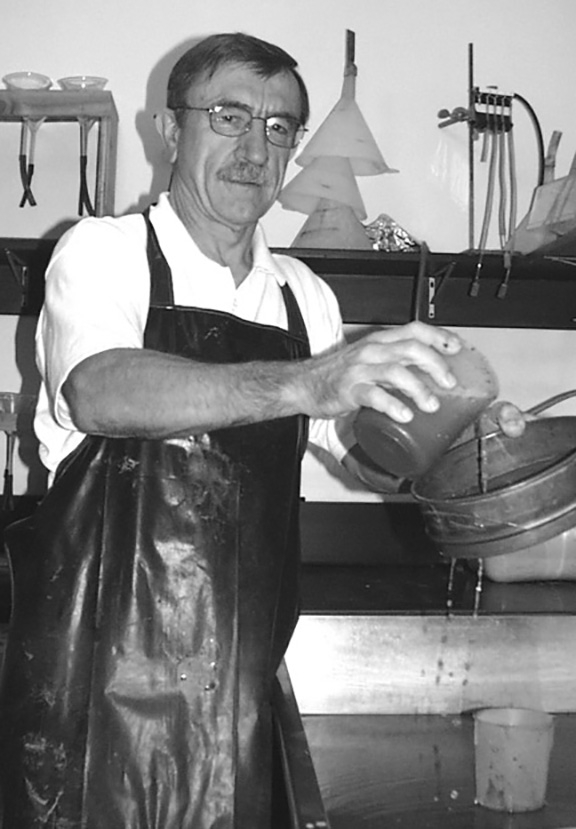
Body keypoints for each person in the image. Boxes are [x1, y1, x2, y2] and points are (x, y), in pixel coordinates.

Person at [0, 32, 524, 829]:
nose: (255, 147)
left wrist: (459, 438)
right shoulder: (104, 255)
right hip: (86, 706)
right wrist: (310, 380)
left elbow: (365, 452)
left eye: (279, 127)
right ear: (170, 131)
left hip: (235, 704)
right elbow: (102, 391)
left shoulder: (302, 296)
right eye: (229, 116)